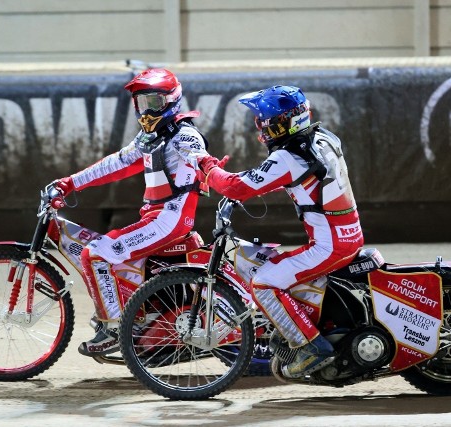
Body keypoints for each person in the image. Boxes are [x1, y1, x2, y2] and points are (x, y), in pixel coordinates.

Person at [198, 85, 364, 378]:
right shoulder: (321, 138)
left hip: (329, 245)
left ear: (288, 121)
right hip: (346, 234)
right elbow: (295, 179)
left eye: (268, 122)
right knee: (276, 266)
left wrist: (208, 168)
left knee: (263, 281)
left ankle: (311, 346)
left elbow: (236, 186)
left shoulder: (288, 157)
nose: (263, 128)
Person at [50, 68, 216, 356]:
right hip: (158, 219)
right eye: (141, 103)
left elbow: (200, 158)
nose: (146, 110)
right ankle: (138, 317)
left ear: (171, 101)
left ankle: (114, 328)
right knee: (108, 253)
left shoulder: (184, 135)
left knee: (95, 253)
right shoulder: (150, 136)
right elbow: (117, 163)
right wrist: (70, 182)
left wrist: (212, 168)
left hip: (168, 221)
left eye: (153, 102)